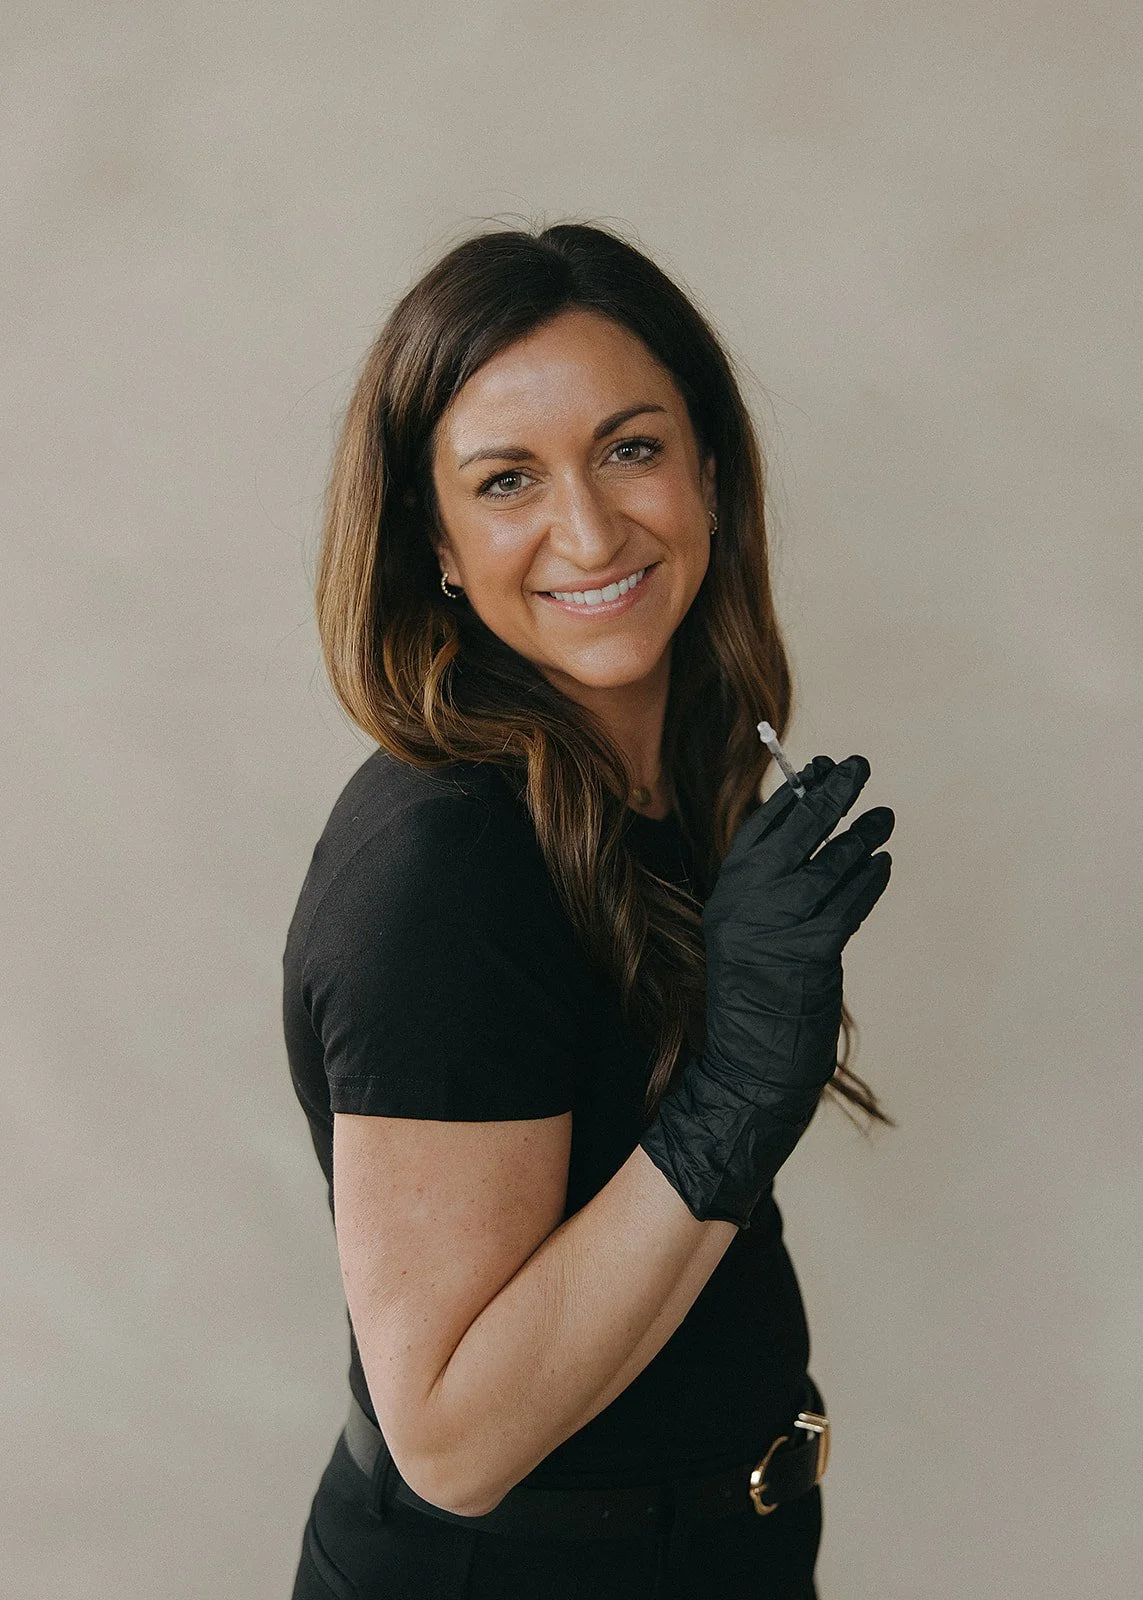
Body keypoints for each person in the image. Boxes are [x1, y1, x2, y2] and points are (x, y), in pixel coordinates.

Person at [282, 220, 896, 1600]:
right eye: (507, 481)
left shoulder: (676, 773)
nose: (589, 528)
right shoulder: (450, 868)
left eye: (629, 448)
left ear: (709, 473)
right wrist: (739, 1085)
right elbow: (447, 1441)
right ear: (433, 545)